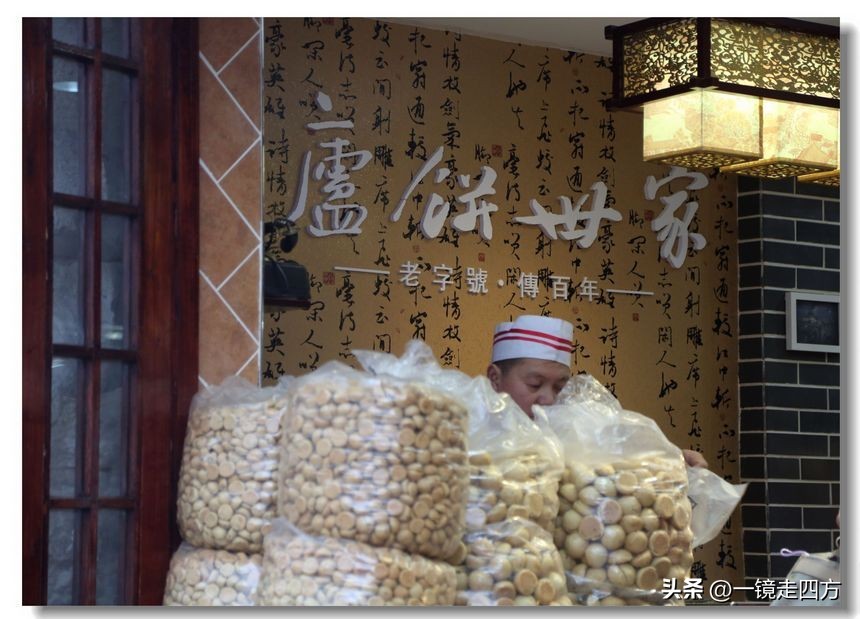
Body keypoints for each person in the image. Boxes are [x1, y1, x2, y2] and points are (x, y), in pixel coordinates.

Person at [487, 314, 708, 468]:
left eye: (559, 387)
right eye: (535, 384)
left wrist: (673, 460)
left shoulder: (574, 430)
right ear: (494, 378)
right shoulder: (472, 434)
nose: (548, 399)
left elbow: (620, 457)